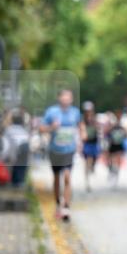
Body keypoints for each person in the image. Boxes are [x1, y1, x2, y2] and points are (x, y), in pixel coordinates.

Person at [41, 89, 82, 221]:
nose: (66, 99)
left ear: (71, 99)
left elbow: (80, 126)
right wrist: (51, 127)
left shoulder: (75, 112)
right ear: (59, 98)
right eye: (63, 97)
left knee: (67, 176)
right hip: (55, 150)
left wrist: (82, 138)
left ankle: (66, 206)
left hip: (69, 150)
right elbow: (41, 128)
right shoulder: (51, 112)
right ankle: (58, 203)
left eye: (68, 97)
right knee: (57, 177)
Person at [1, 110, 31, 187]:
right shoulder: (24, 130)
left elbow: (6, 145)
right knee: (22, 167)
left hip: (17, 149)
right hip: (25, 147)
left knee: (15, 166)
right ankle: (20, 182)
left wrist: (3, 157)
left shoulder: (9, 130)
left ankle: (15, 183)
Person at [81, 103, 100, 191]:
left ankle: (91, 169)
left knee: (93, 160)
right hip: (87, 144)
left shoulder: (95, 120)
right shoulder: (83, 121)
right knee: (87, 161)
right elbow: (82, 131)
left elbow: (99, 130)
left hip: (94, 143)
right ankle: (87, 182)